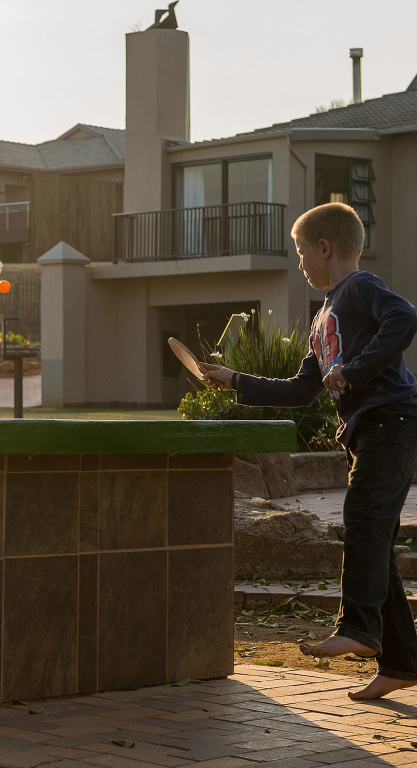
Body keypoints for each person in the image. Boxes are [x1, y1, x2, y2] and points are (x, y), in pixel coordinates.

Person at [203, 202, 417, 701]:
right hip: (366, 431)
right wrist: (235, 380)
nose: (298, 263)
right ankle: (402, 663)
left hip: (392, 420)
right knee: (374, 542)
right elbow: (302, 390)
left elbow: (405, 317)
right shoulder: (322, 319)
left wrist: (355, 370)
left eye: (301, 252)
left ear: (325, 247)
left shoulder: (359, 288)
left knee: (363, 522)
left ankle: (358, 628)